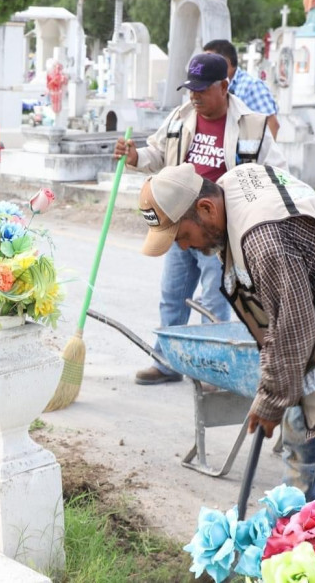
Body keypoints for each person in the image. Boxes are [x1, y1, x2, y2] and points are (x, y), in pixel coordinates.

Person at [137, 162, 315, 517]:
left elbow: (292, 327)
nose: (183, 248)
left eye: (181, 236)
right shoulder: (232, 185)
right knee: (303, 472)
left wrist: (271, 400)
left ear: (206, 208)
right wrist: (274, 393)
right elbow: (275, 316)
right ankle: (306, 563)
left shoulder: (262, 237)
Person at [113, 53, 286, 385]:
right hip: (180, 220)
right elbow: (157, 153)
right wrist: (135, 156)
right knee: (172, 294)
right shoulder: (182, 117)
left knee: (214, 300)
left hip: (217, 229)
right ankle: (166, 362)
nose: (194, 97)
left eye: (202, 90)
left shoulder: (251, 125)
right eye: (191, 89)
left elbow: (275, 173)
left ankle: (213, 369)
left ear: (224, 86)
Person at [202, 39, 279, 136]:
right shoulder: (215, 86)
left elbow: (271, 125)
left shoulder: (251, 86)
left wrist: (249, 150)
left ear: (227, 62)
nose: (205, 66)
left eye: (209, 62)